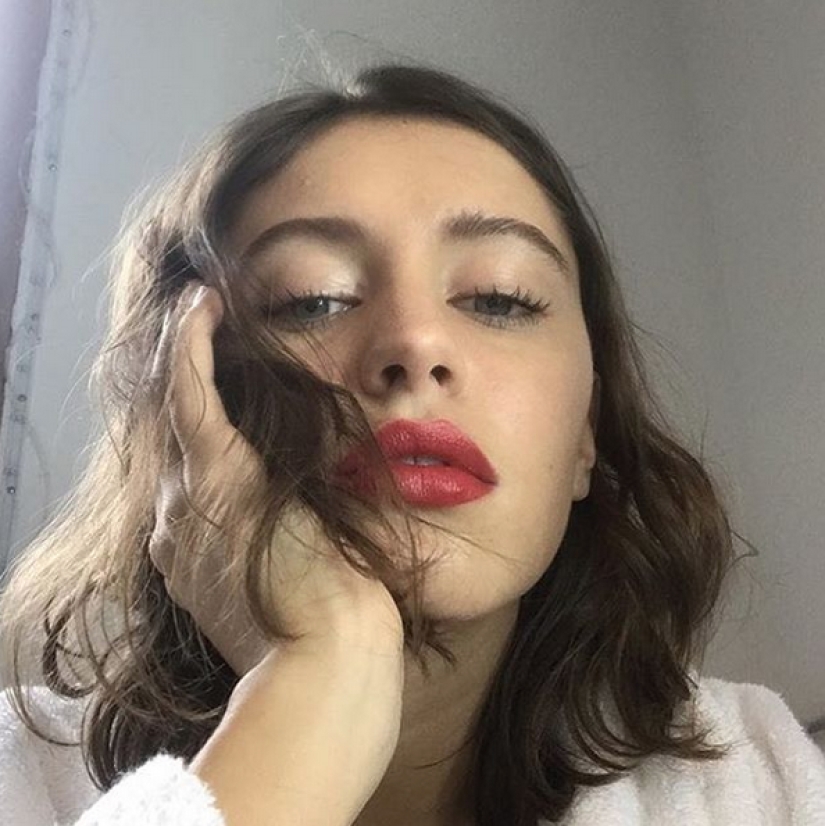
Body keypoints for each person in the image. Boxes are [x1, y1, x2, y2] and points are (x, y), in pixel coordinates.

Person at [0, 61, 823, 826]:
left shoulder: (760, 777)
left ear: (586, 434)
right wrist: (313, 682)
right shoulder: (18, 777)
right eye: (311, 299)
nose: (414, 342)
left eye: (500, 297)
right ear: (186, 401)